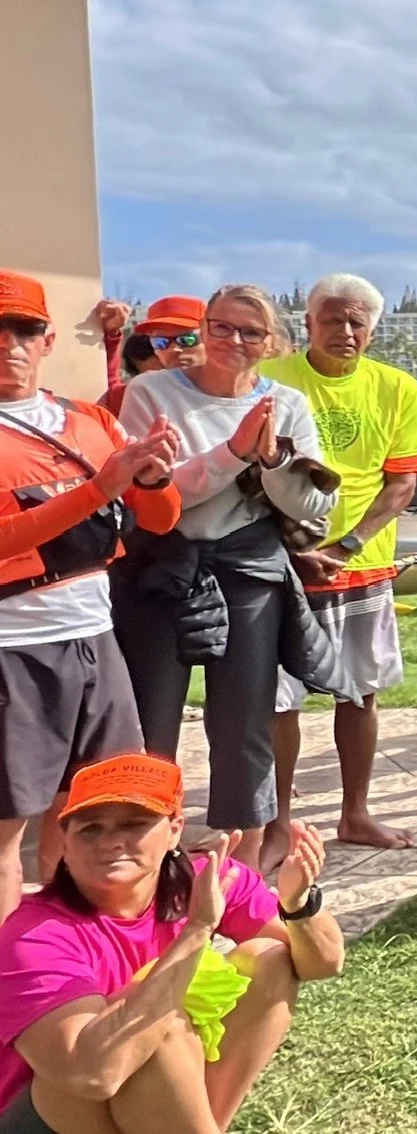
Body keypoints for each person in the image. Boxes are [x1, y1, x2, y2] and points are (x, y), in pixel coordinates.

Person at [116, 284, 340, 874]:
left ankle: (242, 877)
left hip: (248, 571)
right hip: (160, 570)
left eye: (250, 332)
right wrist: (234, 453)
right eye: (219, 326)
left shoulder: (286, 404)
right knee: (149, 726)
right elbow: (151, 499)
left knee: (245, 729)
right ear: (203, 328)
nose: (231, 341)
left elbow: (311, 506)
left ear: (272, 342)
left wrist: (272, 461)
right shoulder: (151, 393)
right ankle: (146, 867)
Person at [0, 754, 345, 1131]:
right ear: (65, 840)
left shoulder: (209, 881)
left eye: (134, 825)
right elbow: (93, 1075)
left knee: (270, 957)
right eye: (90, 829)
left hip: (142, 1098)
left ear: (175, 829)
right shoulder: (32, 934)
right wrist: (197, 929)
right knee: (157, 1029)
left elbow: (324, 964)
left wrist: (297, 904)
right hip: (44, 1118)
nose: (111, 842)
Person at [0, 273, 180, 922]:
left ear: (47, 340)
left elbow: (159, 518)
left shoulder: (90, 421)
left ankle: (75, 949)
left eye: (24, 330)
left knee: (93, 811)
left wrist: (152, 478)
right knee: (7, 831)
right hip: (13, 646)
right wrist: (99, 489)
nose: (10, 345)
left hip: (94, 638)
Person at [263, 273, 417, 858]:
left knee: (360, 693)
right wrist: (294, 549)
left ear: (372, 330)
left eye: (357, 322)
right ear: (309, 323)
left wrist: (346, 546)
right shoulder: (272, 380)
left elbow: (402, 484)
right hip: (280, 563)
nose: (345, 331)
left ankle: (355, 813)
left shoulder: (397, 388)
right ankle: (278, 825)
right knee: (278, 699)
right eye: (332, 319)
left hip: (361, 565)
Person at [98, 296, 205, 419]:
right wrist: (109, 336)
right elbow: (107, 396)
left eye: (187, 339)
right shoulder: (143, 393)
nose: (173, 349)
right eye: (160, 342)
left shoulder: (223, 393)